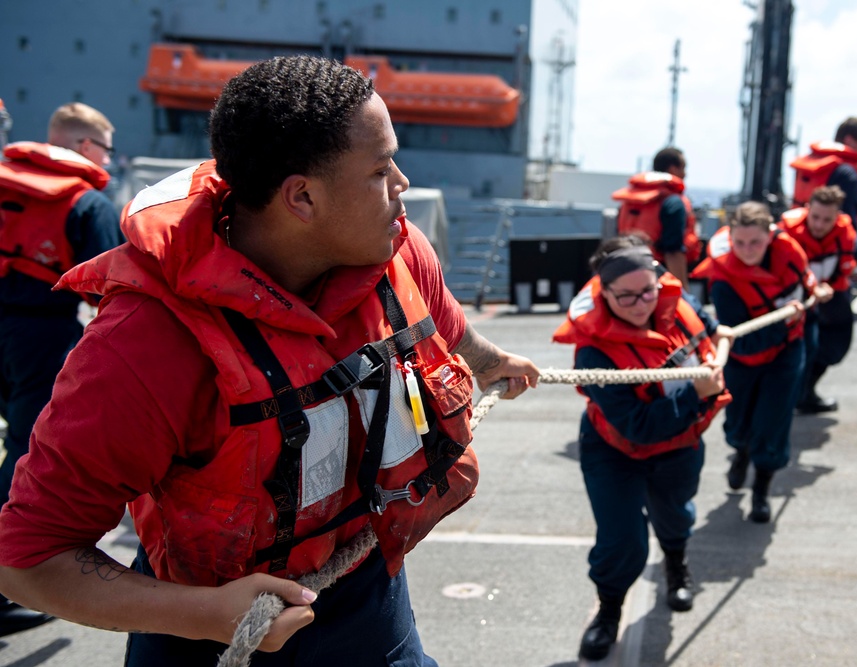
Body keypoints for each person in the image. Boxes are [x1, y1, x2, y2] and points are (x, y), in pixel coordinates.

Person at [0, 55, 539, 666]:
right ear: (302, 198)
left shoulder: (394, 247)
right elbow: (27, 559)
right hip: (211, 626)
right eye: (381, 167)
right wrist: (207, 615)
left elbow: (440, 321)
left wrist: (493, 362)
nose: (403, 183)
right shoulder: (144, 346)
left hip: (364, 597)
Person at [552, 236, 729, 661]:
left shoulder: (676, 301)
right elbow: (639, 426)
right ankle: (608, 610)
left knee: (676, 515)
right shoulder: (593, 351)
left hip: (680, 446)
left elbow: (703, 318)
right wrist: (697, 393)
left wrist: (716, 330)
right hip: (614, 450)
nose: (640, 303)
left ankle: (676, 563)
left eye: (648, 291)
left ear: (659, 281)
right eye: (626, 295)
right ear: (604, 292)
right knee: (621, 540)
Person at [0, 101, 123, 637]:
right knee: (27, 449)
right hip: (39, 338)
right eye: (104, 149)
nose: (108, 161)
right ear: (80, 146)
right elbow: (117, 290)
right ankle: (7, 578)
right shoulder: (87, 201)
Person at [690, 201, 818, 523]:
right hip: (745, 357)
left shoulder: (789, 253)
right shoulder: (722, 280)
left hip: (787, 353)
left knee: (774, 420)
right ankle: (741, 451)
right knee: (739, 420)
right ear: (730, 239)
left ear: (770, 236)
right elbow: (744, 342)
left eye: (756, 242)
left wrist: (814, 292)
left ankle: (762, 487)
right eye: (740, 243)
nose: (748, 250)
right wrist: (786, 322)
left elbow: (804, 281)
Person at [779, 186, 854, 413]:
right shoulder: (788, 232)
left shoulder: (845, 234)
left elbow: (843, 272)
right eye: (816, 217)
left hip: (829, 294)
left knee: (835, 346)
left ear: (837, 217)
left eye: (827, 220)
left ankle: (806, 391)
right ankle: (787, 400)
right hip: (792, 300)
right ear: (807, 209)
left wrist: (828, 289)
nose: (819, 225)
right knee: (795, 351)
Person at [612, 146, 701, 291]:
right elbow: (673, 252)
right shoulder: (673, 203)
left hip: (626, 274)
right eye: (683, 168)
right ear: (673, 169)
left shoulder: (629, 201)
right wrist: (683, 292)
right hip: (657, 277)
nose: (685, 173)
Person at [790, 116, 857, 259]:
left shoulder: (812, 165)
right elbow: (849, 221)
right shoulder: (848, 174)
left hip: (799, 238)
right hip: (829, 247)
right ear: (849, 140)